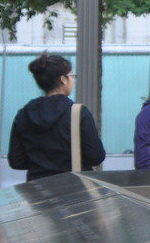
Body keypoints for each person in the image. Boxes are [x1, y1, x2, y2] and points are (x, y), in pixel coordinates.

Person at [8, 52, 106, 180]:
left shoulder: (23, 114)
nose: (73, 81)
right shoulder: (77, 113)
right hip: (73, 187)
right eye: (72, 76)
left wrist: (40, 163)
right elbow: (96, 157)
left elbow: (16, 161)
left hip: (35, 187)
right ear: (63, 79)